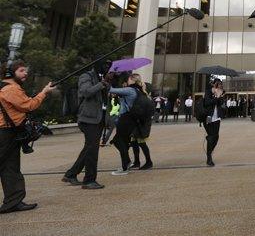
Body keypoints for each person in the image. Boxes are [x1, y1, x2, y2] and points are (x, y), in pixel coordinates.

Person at [0, 60, 54, 213]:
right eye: (21, 71)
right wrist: (44, 92)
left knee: (10, 168)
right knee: (9, 167)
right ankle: (13, 201)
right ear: (10, 73)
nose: (26, 73)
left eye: (25, 70)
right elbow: (29, 105)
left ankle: (13, 202)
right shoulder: (10, 89)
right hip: (5, 134)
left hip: (7, 133)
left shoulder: (5, 87)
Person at [63, 60, 111, 190]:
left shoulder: (102, 78)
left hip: (98, 118)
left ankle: (71, 174)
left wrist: (107, 83)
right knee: (92, 150)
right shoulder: (87, 76)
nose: (107, 68)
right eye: (105, 65)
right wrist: (102, 84)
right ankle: (89, 180)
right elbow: (86, 92)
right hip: (88, 119)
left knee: (89, 148)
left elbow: (104, 97)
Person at [109, 74, 150, 175]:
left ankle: (125, 166)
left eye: (128, 79)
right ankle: (127, 163)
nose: (127, 81)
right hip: (131, 120)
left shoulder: (130, 90)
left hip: (126, 119)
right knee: (123, 141)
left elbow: (111, 90)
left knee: (118, 141)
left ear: (132, 80)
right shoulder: (138, 90)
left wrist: (106, 80)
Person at [203, 79, 226, 166]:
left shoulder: (220, 92)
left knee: (216, 137)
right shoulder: (208, 92)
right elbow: (207, 102)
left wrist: (219, 96)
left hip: (217, 118)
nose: (219, 85)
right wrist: (215, 97)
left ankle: (210, 149)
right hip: (208, 117)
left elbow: (221, 103)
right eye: (217, 84)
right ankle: (209, 158)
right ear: (214, 84)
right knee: (212, 136)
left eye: (220, 84)